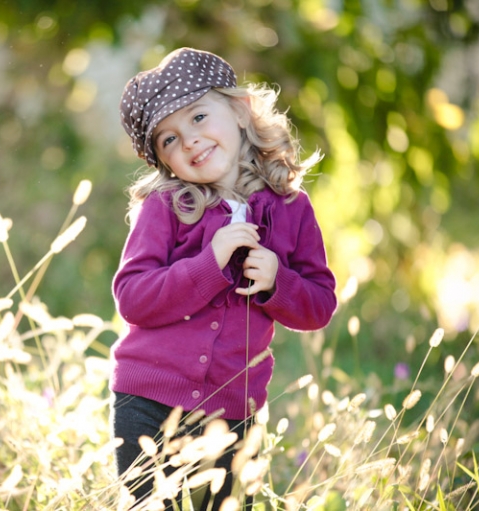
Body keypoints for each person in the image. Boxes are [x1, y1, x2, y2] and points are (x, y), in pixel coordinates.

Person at [110, 47, 338, 509]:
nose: (189, 141)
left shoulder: (290, 209)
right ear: (162, 161)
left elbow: (319, 304)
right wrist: (207, 265)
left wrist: (279, 282)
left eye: (198, 117)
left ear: (238, 110)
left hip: (233, 412)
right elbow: (131, 296)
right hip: (148, 401)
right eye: (168, 139)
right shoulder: (167, 207)